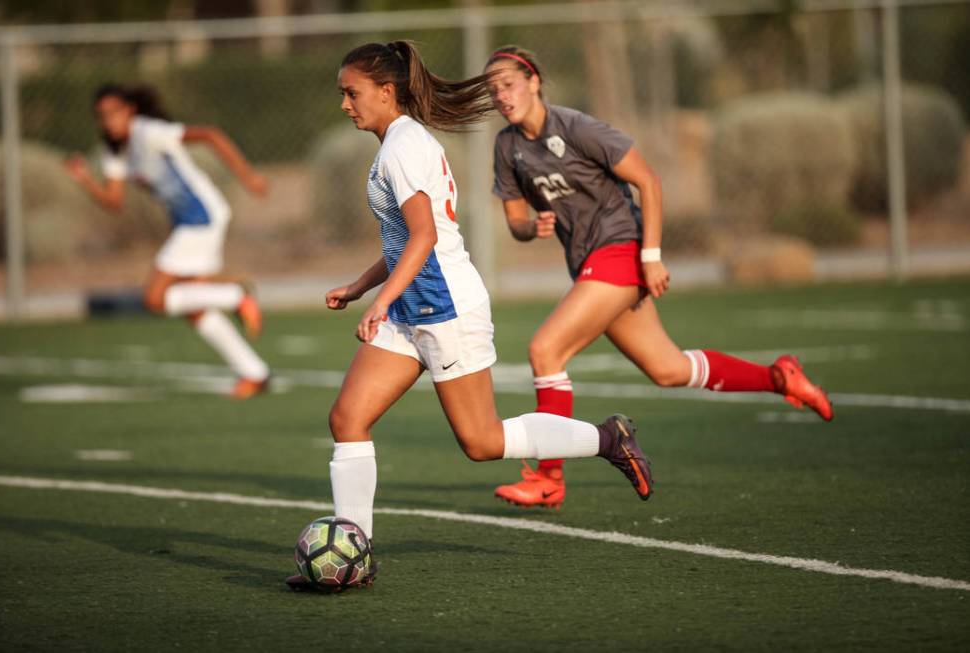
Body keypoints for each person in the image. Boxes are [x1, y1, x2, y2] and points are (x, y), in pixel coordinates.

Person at [286, 41, 654, 591]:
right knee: (348, 420)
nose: (345, 104)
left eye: (351, 93)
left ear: (387, 92)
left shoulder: (402, 147)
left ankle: (607, 438)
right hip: (412, 306)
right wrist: (364, 287)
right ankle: (353, 560)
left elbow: (426, 236)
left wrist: (382, 300)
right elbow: (403, 239)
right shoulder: (394, 144)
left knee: (481, 442)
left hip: (444, 306)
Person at [484, 46, 833, 509]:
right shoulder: (507, 147)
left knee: (545, 349)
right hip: (590, 264)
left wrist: (650, 255)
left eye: (509, 83)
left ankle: (550, 477)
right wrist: (533, 227)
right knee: (669, 369)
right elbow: (515, 221)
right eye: (493, 90)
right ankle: (779, 377)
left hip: (621, 250)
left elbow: (648, 180)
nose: (501, 95)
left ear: (534, 81)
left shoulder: (577, 128)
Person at [64, 84, 271, 399]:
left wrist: (249, 177)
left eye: (115, 113)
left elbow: (211, 135)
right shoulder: (116, 151)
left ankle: (235, 295)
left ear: (130, 110)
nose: (109, 121)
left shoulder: (149, 132)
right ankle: (254, 373)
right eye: (102, 116)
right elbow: (114, 201)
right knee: (195, 307)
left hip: (202, 216)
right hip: (187, 223)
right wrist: (84, 179)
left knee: (154, 299)